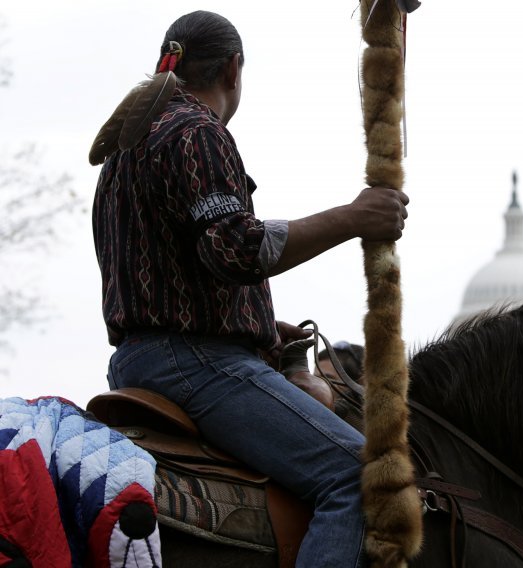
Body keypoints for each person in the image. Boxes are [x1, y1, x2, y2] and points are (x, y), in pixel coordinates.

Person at [90, 10, 409, 568]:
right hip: (193, 365)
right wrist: (354, 217)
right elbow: (234, 249)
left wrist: (256, 323)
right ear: (234, 69)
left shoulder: (126, 148)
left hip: (141, 360)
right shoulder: (197, 132)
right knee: (362, 480)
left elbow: (178, 266)